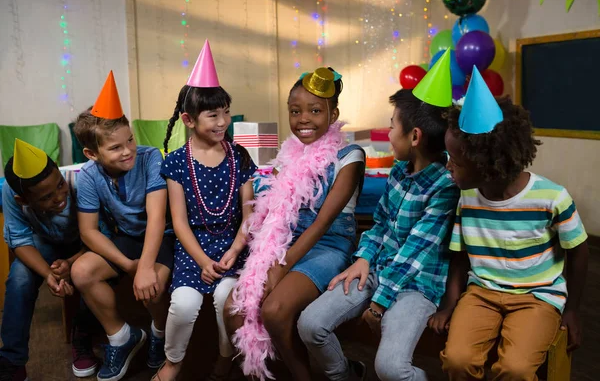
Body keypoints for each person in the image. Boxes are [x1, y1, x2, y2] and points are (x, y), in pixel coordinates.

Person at [431, 69, 589, 380]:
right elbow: (460, 256)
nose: (447, 166)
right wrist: (449, 304)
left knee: (515, 370)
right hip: (481, 293)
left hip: (537, 298)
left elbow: (580, 251)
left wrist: (572, 309)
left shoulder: (551, 197)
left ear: (487, 164)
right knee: (457, 361)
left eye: (456, 161)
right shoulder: (468, 198)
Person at [298, 88, 460, 381]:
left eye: (391, 126)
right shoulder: (398, 171)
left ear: (414, 137)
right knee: (310, 325)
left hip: (415, 286)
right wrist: (362, 259)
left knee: (390, 370)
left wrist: (378, 304)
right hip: (376, 270)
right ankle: (345, 374)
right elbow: (380, 224)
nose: (387, 133)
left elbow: (413, 254)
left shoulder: (445, 187)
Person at [225, 67, 365, 381]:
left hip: (328, 245)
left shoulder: (350, 156)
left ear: (333, 114)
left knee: (275, 311)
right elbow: (274, 206)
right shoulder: (290, 153)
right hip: (288, 242)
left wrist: (280, 268)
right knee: (236, 307)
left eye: (315, 111)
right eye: (295, 111)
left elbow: (321, 224)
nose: (303, 118)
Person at [152, 40, 256, 381]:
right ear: (189, 119)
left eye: (226, 111)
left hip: (231, 247)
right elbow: (179, 223)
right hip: (192, 252)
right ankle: (173, 362)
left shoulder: (239, 155)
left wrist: (235, 250)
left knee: (228, 298)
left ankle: (226, 358)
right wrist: (201, 261)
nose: (223, 120)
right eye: (214, 114)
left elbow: (249, 211)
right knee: (183, 305)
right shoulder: (177, 163)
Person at [70, 71, 174, 381]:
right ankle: (121, 336)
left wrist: (143, 267)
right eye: (115, 148)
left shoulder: (150, 158)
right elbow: (88, 230)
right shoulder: (87, 176)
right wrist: (128, 264)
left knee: (151, 282)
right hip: (126, 240)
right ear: (92, 153)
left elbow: (157, 217)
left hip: (162, 237)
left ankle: (158, 332)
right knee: (81, 271)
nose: (127, 150)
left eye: (129, 139)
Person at [0, 139, 100, 380]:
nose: (58, 197)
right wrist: (48, 274)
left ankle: (83, 339)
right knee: (20, 278)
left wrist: (74, 260)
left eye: (59, 185)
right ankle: (12, 361)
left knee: (88, 272)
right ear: (22, 201)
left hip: (88, 243)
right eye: (45, 198)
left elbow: (105, 235)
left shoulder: (81, 180)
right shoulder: (10, 191)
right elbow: (20, 240)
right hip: (44, 242)